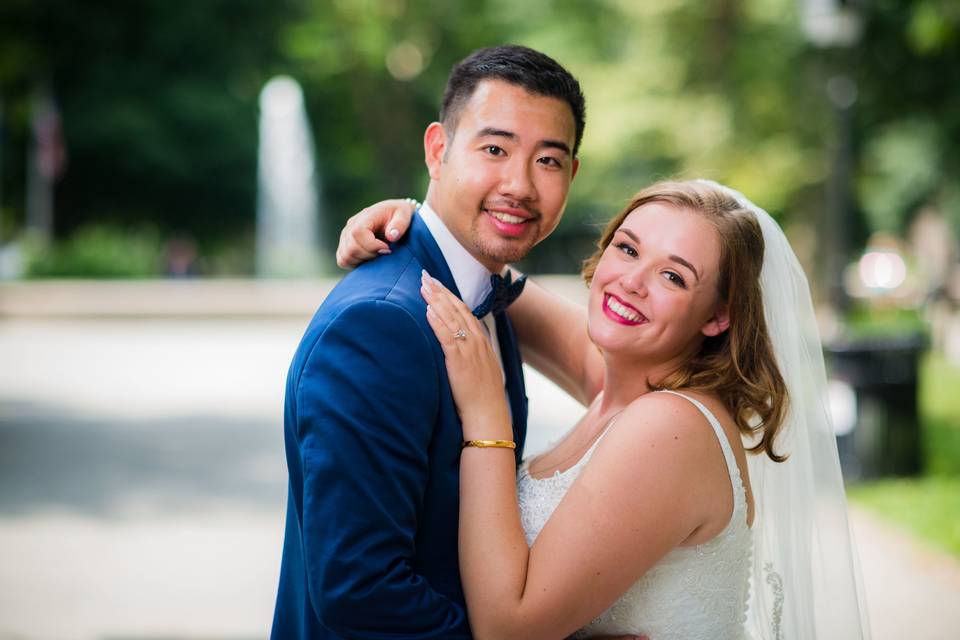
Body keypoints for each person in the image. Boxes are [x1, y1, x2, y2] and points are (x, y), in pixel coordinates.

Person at [339, 180, 871, 638]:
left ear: (717, 317)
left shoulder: (670, 427)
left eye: (674, 277)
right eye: (629, 249)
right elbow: (488, 280)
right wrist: (408, 222)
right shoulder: (621, 385)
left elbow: (508, 628)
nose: (632, 282)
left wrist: (486, 416)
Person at [270, 45, 590, 639]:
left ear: (571, 176)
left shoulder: (487, 294)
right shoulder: (379, 325)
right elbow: (360, 590)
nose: (518, 184)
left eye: (547, 160)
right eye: (494, 149)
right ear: (438, 151)